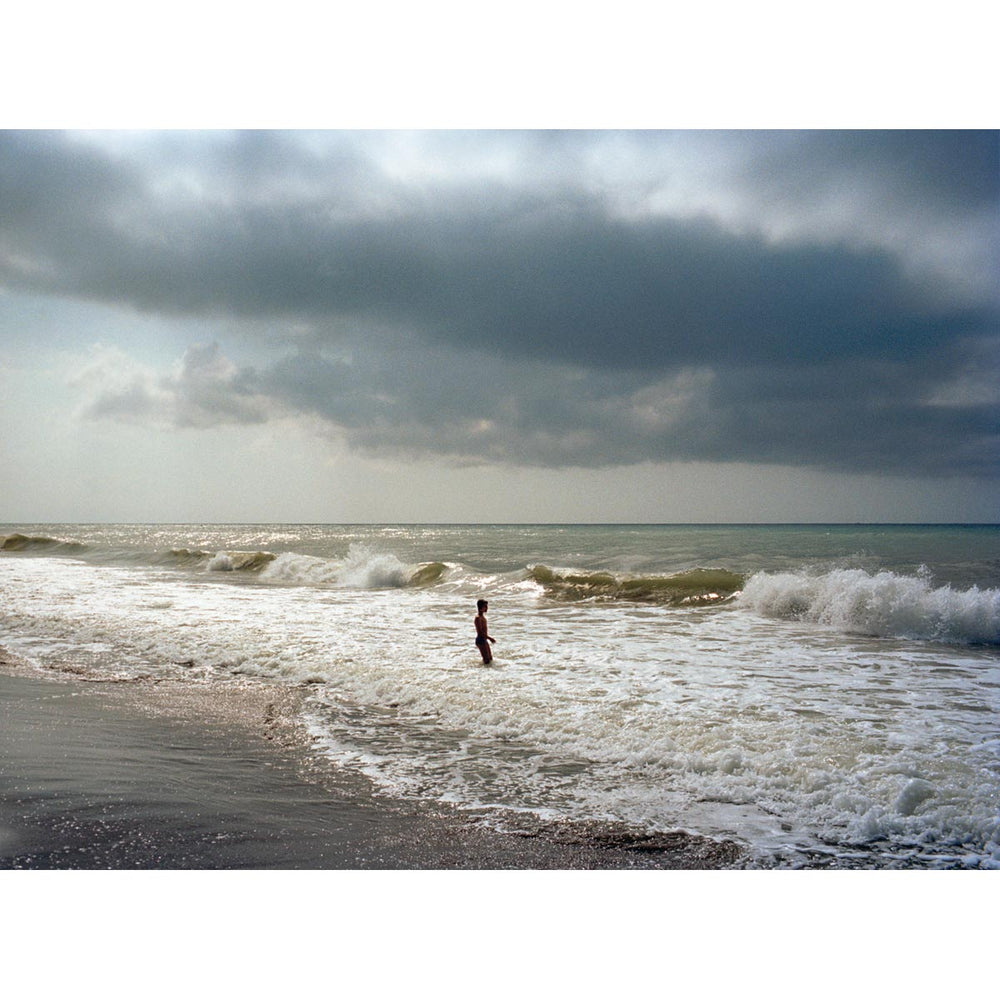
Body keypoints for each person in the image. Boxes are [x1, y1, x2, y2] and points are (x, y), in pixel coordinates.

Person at [474, 599, 495, 664]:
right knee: (486, 660)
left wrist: (487, 638)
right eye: (485, 606)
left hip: (484, 639)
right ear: (480, 608)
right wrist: (490, 638)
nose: (487, 608)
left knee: (490, 659)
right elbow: (480, 632)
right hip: (480, 639)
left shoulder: (483, 617)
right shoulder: (478, 618)